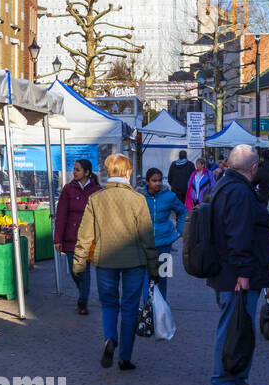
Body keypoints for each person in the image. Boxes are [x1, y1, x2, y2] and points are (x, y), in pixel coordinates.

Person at [73, 154, 158, 371]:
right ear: (127, 173)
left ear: (109, 172)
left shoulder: (96, 199)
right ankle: (125, 357)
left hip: (105, 261)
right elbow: (147, 237)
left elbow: (85, 236)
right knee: (130, 308)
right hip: (134, 262)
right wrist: (154, 266)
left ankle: (110, 338)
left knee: (109, 304)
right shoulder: (138, 200)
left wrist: (79, 264)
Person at [207, 143, 269, 385]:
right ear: (254, 167)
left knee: (239, 327)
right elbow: (238, 235)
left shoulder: (226, 186)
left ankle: (237, 379)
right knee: (233, 327)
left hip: (230, 272)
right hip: (237, 275)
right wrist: (244, 272)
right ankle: (224, 381)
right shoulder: (238, 191)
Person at [54, 158, 102, 315]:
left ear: (87, 172)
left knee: (85, 270)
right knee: (75, 271)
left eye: (77, 169)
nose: (74, 172)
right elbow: (61, 215)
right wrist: (57, 239)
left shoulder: (97, 190)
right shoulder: (68, 189)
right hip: (70, 237)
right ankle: (83, 294)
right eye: (74, 169)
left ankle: (83, 302)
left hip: (89, 239)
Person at [141, 167, 187, 301]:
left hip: (165, 243)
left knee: (162, 276)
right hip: (145, 243)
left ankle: (162, 308)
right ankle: (147, 308)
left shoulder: (170, 196)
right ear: (147, 181)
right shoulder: (140, 197)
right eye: (154, 180)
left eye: (160, 180)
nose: (158, 183)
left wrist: (180, 231)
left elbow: (183, 212)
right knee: (146, 276)